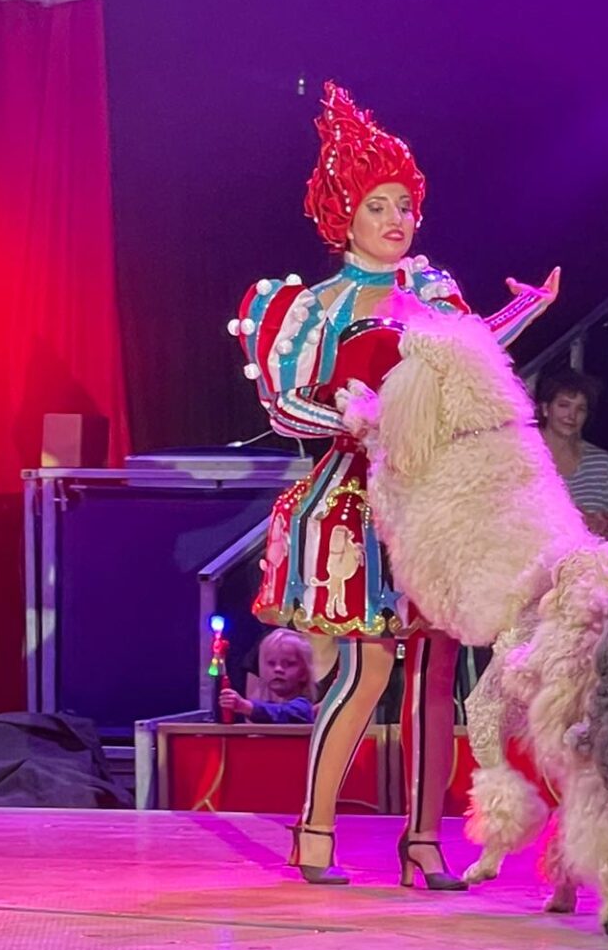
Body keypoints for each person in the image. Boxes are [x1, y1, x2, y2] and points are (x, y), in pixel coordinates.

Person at [232, 83, 558, 887]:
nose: (396, 219)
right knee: (365, 671)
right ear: (344, 216)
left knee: (435, 675)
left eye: (404, 205)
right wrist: (361, 419)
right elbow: (283, 403)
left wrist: (529, 310)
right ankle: (314, 833)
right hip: (354, 504)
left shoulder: (433, 291)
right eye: (378, 205)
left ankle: (423, 844)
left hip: (432, 503)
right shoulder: (313, 305)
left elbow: (471, 358)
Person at [537, 367, 608, 546]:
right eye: (564, 405)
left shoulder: (601, 463)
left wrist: (605, 526)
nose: (571, 415)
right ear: (545, 409)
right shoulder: (519, 455)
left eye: (580, 409)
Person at [220, 628, 319, 725]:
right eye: (271, 663)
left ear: (304, 674)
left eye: (288, 664)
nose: (278, 669)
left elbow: (283, 713)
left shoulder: (303, 708)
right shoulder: (267, 705)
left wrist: (245, 706)